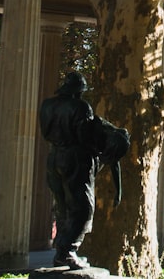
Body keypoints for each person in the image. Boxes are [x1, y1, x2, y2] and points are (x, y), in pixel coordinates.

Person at [40, 72, 97, 270]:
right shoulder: (80, 107)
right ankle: (68, 251)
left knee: (62, 204)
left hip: (54, 156)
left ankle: (60, 253)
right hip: (75, 158)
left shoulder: (46, 105)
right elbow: (85, 137)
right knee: (83, 207)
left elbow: (45, 132)